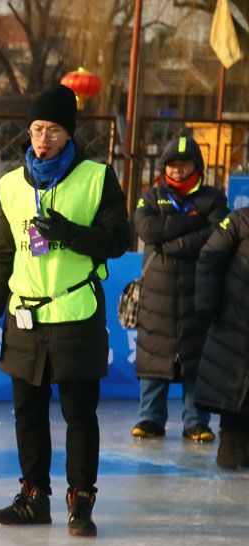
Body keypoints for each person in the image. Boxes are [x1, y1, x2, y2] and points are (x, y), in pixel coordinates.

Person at [0, 84, 131, 536]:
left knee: (79, 414)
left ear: (69, 134)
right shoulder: (10, 185)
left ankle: (80, 501)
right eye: (37, 129)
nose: (43, 139)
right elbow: (3, 255)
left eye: (53, 130)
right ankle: (34, 498)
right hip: (25, 315)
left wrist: (70, 234)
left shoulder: (97, 178)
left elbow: (119, 241)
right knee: (27, 411)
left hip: (75, 312)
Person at [131, 136, 227, 443]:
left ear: (196, 166)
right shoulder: (151, 197)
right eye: (171, 165)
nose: (177, 170)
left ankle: (196, 422)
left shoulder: (214, 198)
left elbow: (217, 235)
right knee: (152, 357)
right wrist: (192, 223)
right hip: (156, 295)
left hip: (198, 291)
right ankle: (150, 418)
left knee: (196, 360)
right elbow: (147, 230)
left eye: (184, 164)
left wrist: (172, 240)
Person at [194, 207, 249, 470]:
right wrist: (207, 303)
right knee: (232, 383)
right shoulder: (240, 220)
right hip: (235, 318)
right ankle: (230, 438)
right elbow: (210, 258)